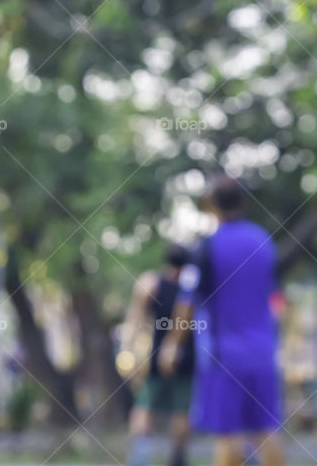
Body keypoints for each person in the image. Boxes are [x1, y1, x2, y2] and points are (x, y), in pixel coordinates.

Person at [160, 175, 286, 466]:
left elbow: (187, 303)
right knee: (265, 430)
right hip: (263, 354)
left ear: (209, 205)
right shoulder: (264, 242)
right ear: (244, 202)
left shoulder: (207, 247)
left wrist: (172, 345)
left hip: (224, 357)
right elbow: (277, 300)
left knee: (228, 434)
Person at [124, 244, 195, 466]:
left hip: (159, 352)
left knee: (145, 406)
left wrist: (128, 349)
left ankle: (140, 459)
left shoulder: (151, 284)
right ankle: (177, 458)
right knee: (182, 409)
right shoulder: (192, 286)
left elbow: (136, 319)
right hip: (187, 354)